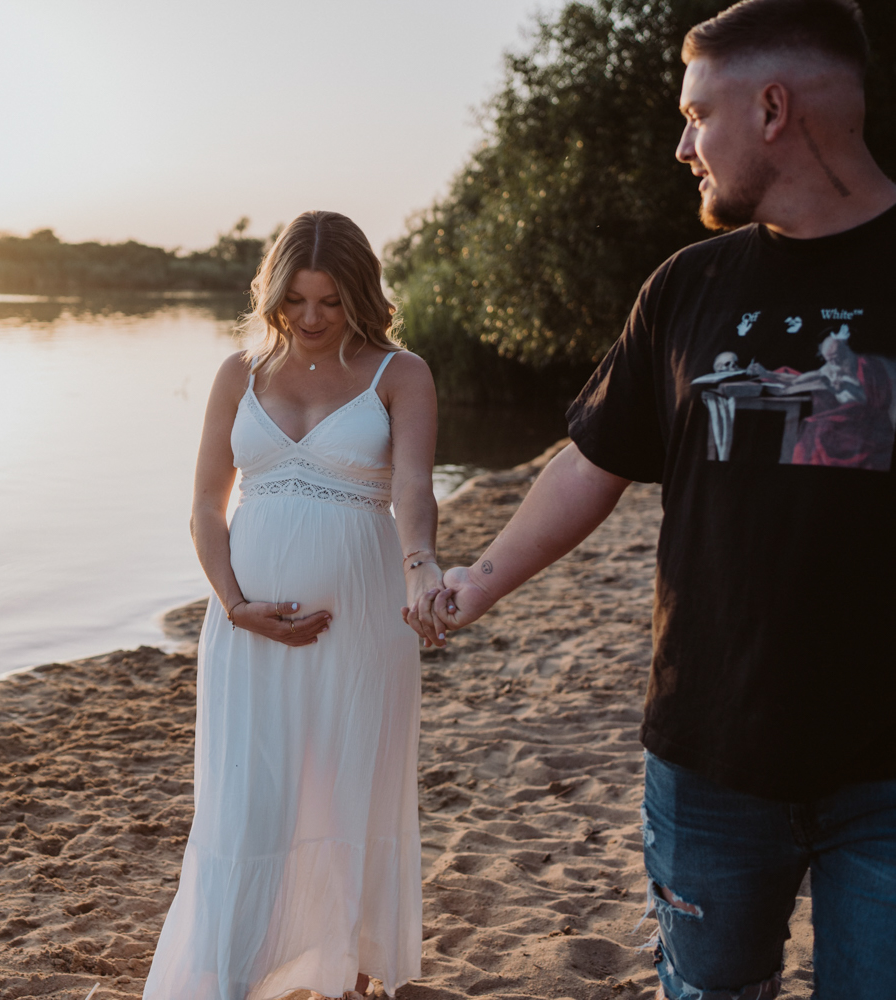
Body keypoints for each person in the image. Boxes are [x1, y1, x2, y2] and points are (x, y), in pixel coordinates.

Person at [409, 1, 896, 996]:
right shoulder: (686, 286)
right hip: (710, 756)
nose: (682, 146)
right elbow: (591, 462)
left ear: (772, 109)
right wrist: (475, 583)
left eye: (696, 116)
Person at [143, 211, 439, 1000]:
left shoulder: (400, 374)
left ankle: (346, 974)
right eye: (297, 300)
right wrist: (234, 602)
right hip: (247, 631)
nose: (311, 318)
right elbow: (206, 507)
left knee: (351, 793)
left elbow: (414, 491)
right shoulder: (238, 373)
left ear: (362, 297)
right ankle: (233, 978)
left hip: (363, 629)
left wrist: (421, 569)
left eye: (331, 302)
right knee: (250, 805)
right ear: (273, 295)